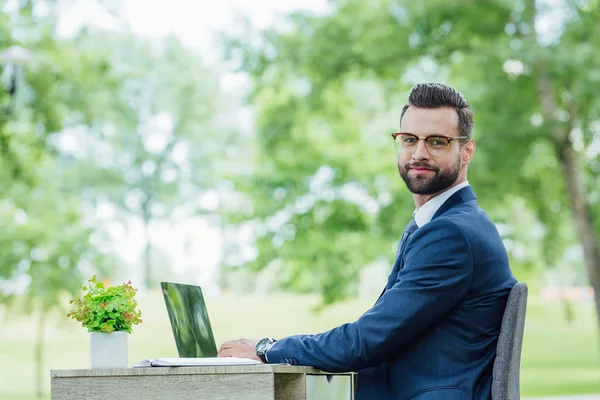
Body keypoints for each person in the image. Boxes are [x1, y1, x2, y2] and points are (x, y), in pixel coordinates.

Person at [217, 83, 517, 400]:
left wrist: (267, 348)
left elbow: (366, 341)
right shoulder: (442, 224)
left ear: (467, 150)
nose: (419, 153)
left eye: (437, 142)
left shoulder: (451, 234)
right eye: (409, 139)